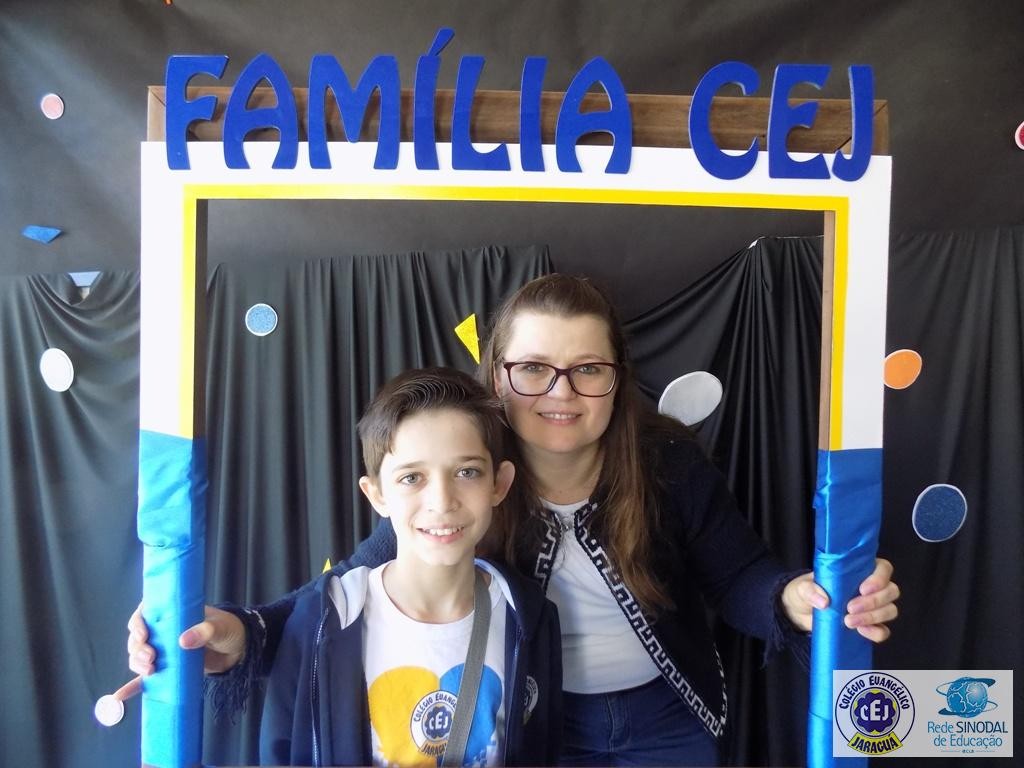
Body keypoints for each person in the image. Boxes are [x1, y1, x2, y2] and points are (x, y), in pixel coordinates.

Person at [129, 274, 900, 766]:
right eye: (532, 368)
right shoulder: (462, 485)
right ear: (496, 377)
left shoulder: (668, 465)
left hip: (668, 722)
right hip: (538, 728)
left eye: (587, 369)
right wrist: (235, 633)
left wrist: (797, 599)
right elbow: (336, 598)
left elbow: (740, 578)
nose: (560, 393)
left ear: (617, 379)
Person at [260, 366, 562, 766]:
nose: (442, 501)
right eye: (411, 478)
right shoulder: (322, 621)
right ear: (376, 494)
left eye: (466, 472)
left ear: (499, 484)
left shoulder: (530, 618)